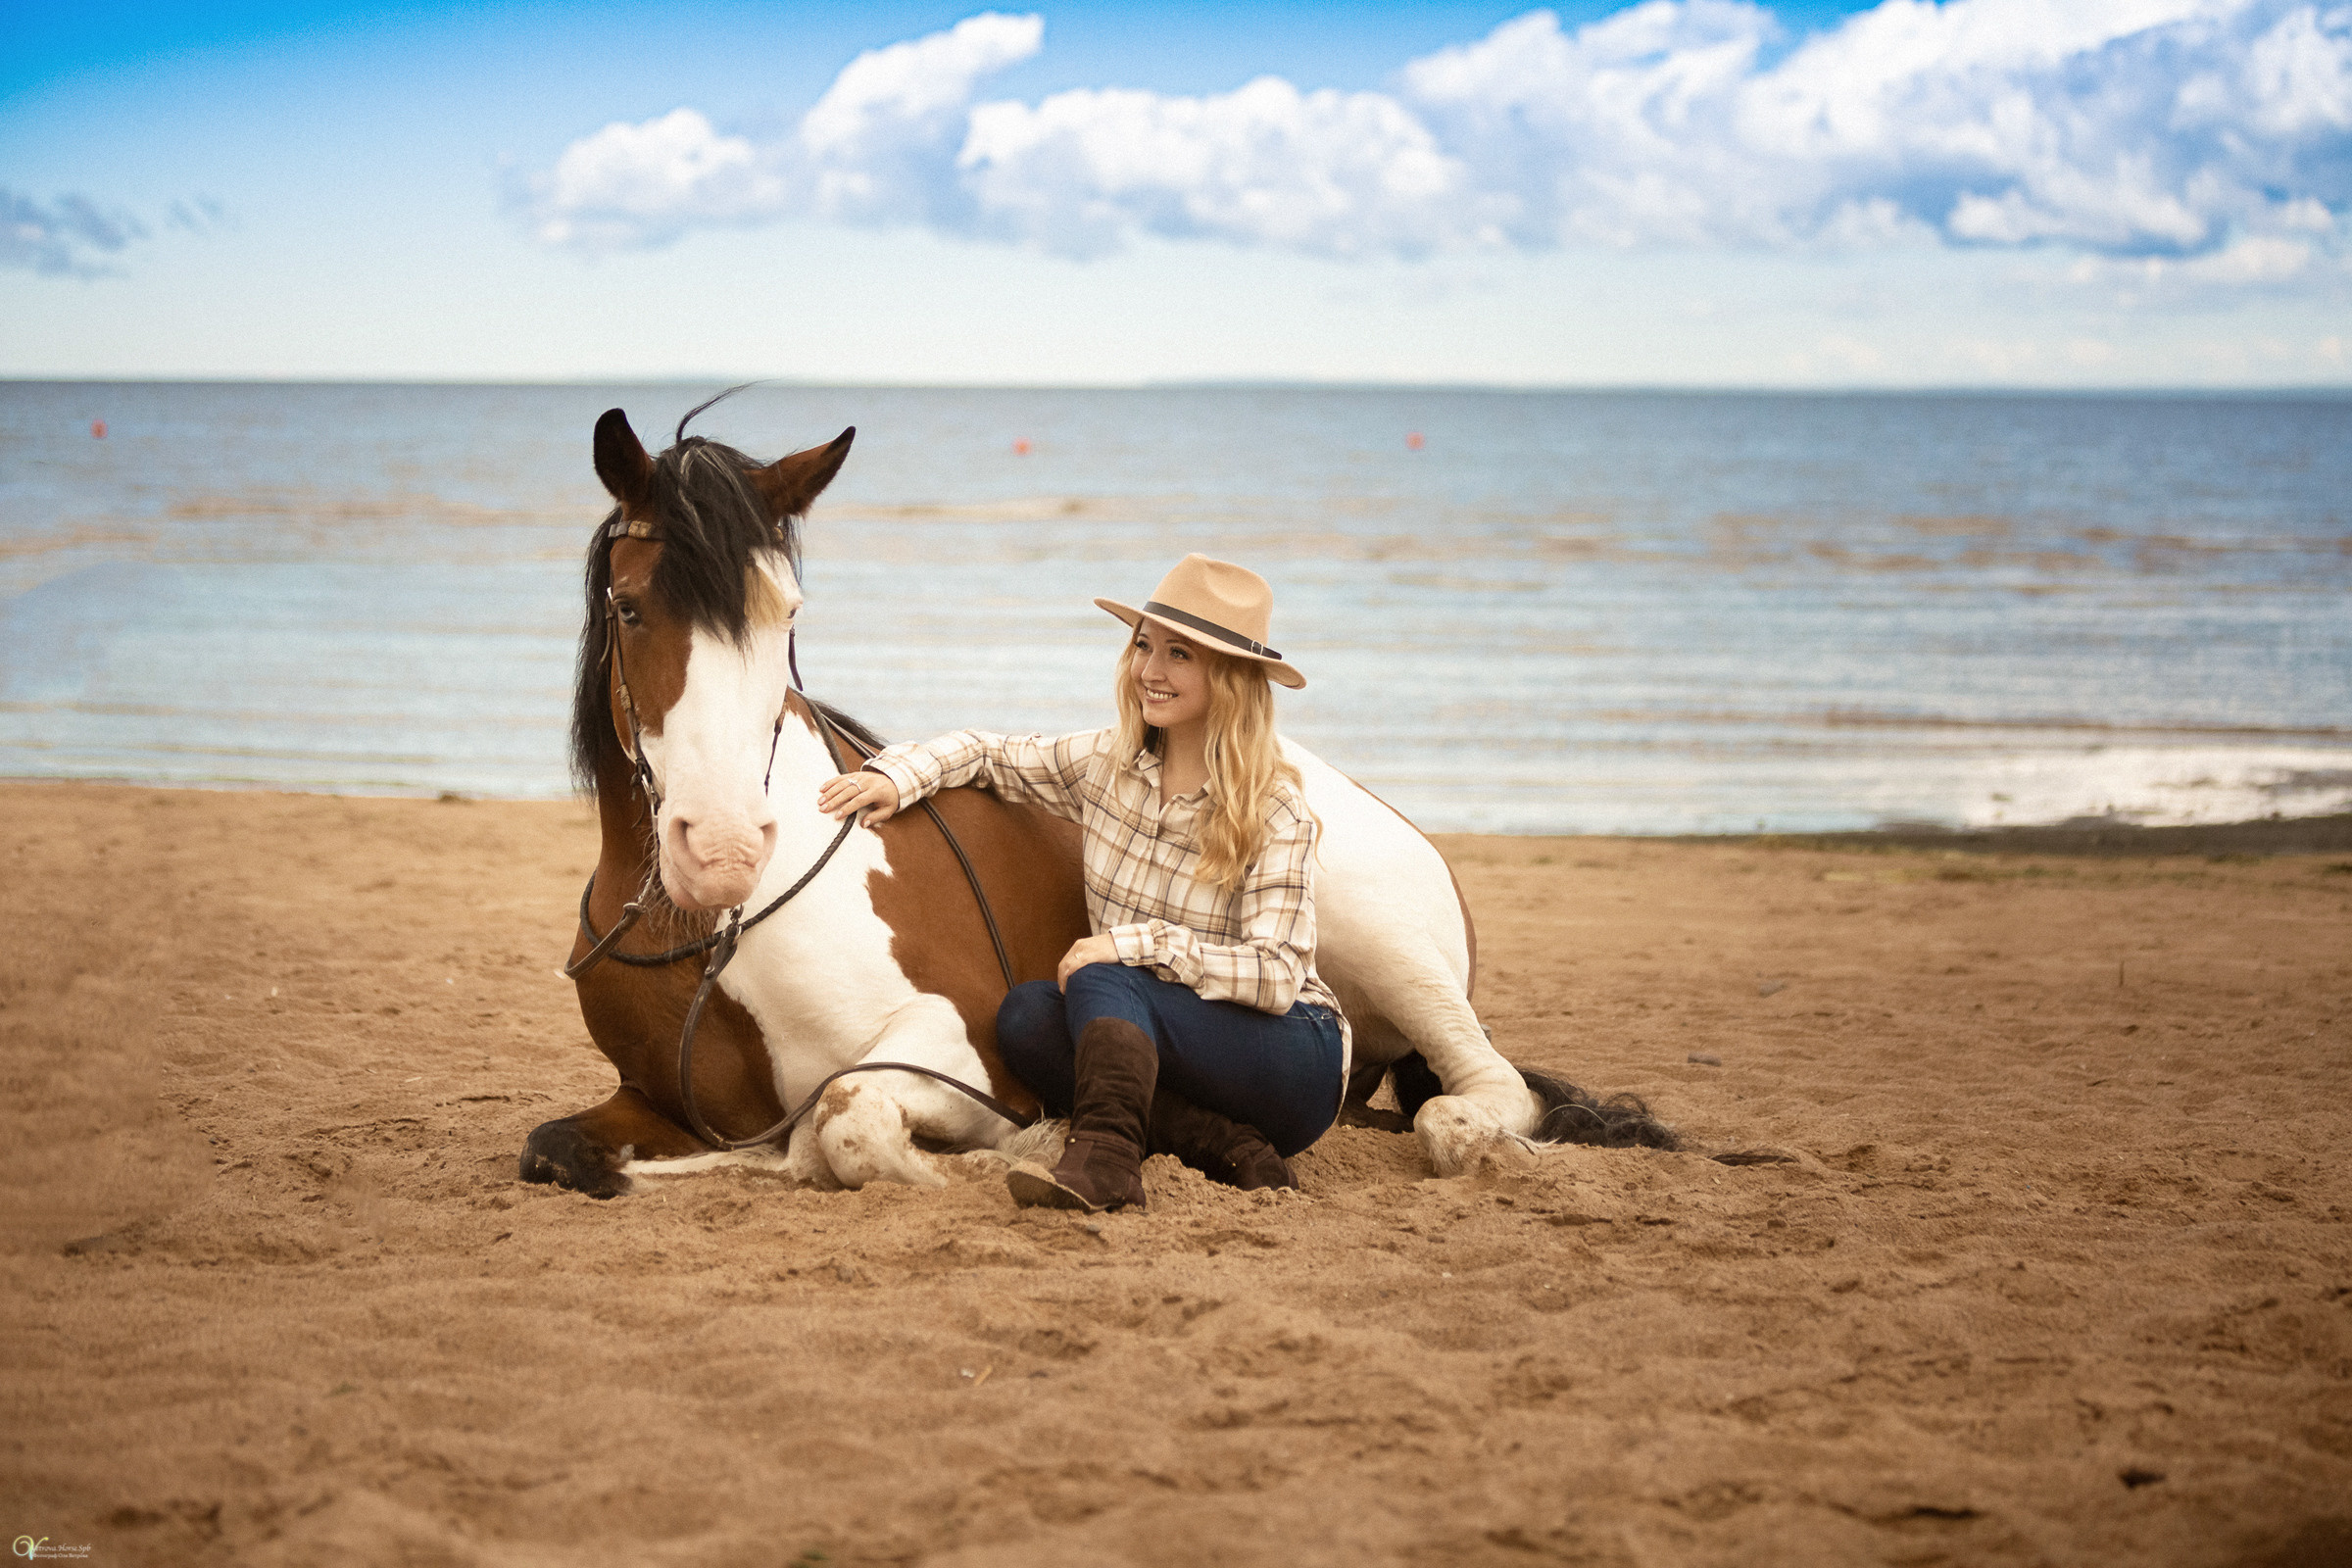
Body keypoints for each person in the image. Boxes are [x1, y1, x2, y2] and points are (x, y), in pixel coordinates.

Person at [817, 554, 1348, 1213]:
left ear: (1232, 677)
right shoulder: (1105, 766)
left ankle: (1105, 1160)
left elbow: (1275, 977)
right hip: (1168, 1055)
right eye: (1143, 647)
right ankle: (1217, 1143)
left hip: (1292, 1059)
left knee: (1101, 977)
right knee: (1026, 1018)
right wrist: (898, 774)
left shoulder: (1273, 809)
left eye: (1179, 654)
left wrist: (1137, 947)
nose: (1150, 671)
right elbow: (989, 754)